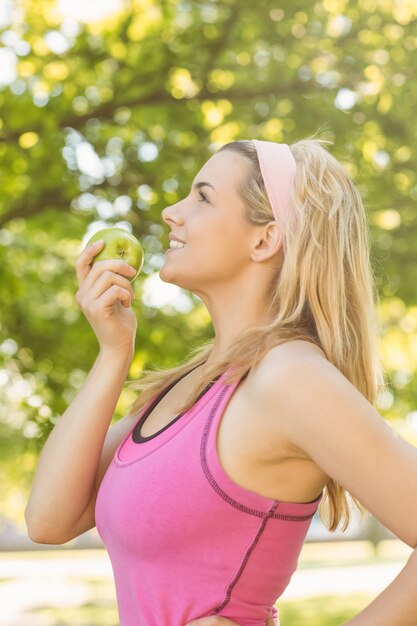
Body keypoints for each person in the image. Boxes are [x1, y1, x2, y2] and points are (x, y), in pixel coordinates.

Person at [25, 136, 417, 626]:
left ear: (264, 239)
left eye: (203, 197)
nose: (172, 211)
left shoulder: (288, 376)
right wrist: (113, 353)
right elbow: (48, 520)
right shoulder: (189, 386)